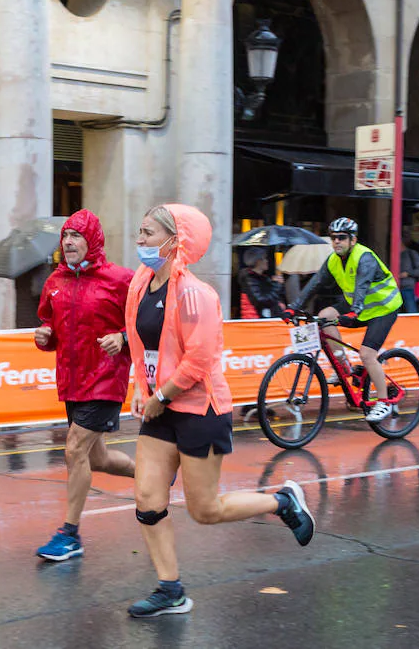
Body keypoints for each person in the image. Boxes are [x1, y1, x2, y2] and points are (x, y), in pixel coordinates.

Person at [124, 204, 314, 618]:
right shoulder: (140, 283)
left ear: (176, 241)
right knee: (147, 499)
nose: (139, 240)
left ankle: (282, 502)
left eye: (147, 232)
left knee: (204, 510)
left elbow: (199, 361)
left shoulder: (197, 295)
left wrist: (161, 395)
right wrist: (143, 389)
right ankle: (169, 589)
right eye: (139, 231)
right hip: (161, 408)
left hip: (200, 409)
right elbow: (140, 344)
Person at [32, 209, 136, 562]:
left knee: (74, 449)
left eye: (76, 236)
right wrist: (43, 337)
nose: (69, 242)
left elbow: (147, 322)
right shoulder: (55, 283)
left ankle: (69, 534)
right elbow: (49, 328)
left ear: (92, 241)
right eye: (65, 236)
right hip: (72, 381)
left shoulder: (120, 279)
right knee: (98, 458)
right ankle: (155, 475)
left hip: (107, 379)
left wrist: (122, 338)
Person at [288, 217, 403, 422]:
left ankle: (384, 402)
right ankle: (345, 367)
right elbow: (315, 284)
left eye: (342, 238)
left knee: (368, 355)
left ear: (353, 240)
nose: (337, 242)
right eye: (333, 238)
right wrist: (293, 308)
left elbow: (362, 285)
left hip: (383, 308)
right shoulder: (333, 260)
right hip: (358, 307)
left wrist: (354, 311)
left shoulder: (363, 257)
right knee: (324, 317)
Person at [236, 247, 286, 319]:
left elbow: (274, 296)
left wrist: (275, 284)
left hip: (263, 318)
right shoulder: (249, 279)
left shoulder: (263, 278)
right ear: (258, 261)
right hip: (254, 321)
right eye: (264, 258)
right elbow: (262, 301)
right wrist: (276, 285)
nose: (267, 261)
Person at [396, 241, 419, 313]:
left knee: (411, 310)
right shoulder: (392, 253)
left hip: (407, 286)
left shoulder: (411, 253)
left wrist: (408, 273)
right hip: (394, 287)